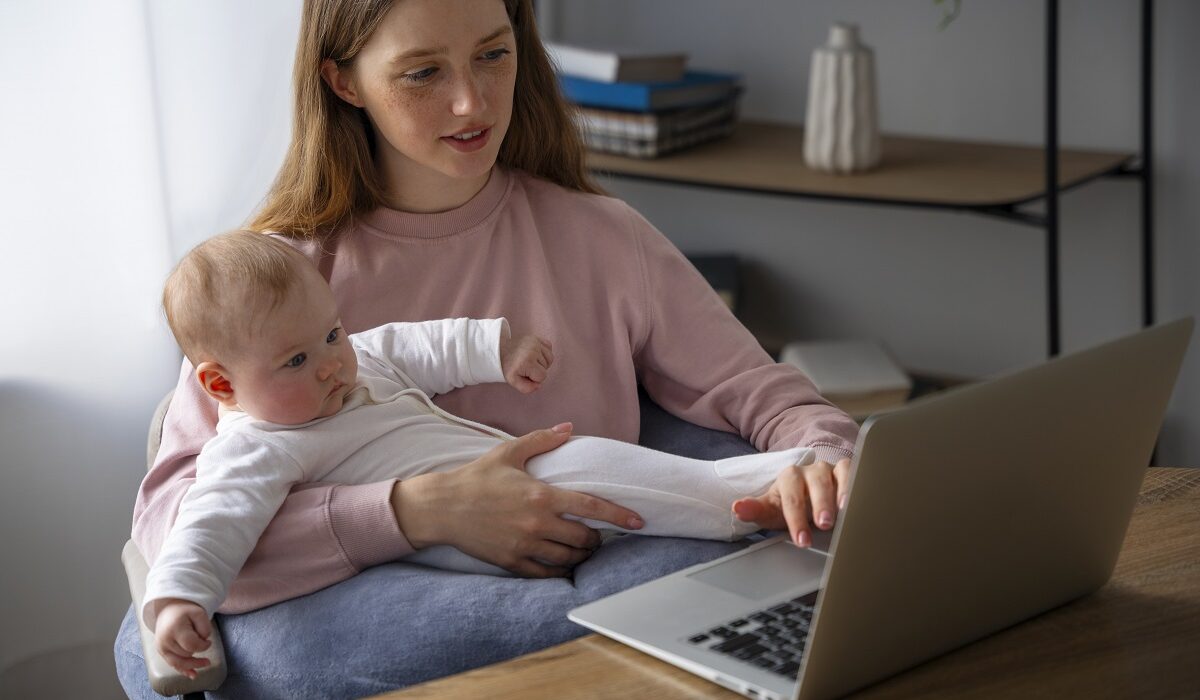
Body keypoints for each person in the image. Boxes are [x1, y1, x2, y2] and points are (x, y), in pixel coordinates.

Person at [118, 0, 860, 695]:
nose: (472, 103)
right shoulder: (278, 286)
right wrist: (417, 512)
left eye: (494, 55)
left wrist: (826, 457)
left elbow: (760, 391)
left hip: (597, 563)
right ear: (343, 81)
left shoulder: (601, 238)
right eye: (423, 73)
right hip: (399, 620)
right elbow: (177, 527)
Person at [147, 230, 815, 677]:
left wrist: (498, 350)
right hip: (461, 540)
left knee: (591, 477)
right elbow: (210, 521)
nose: (330, 365)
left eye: (331, 334)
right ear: (220, 383)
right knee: (583, 467)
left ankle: (777, 486)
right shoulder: (254, 445)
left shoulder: (356, 364)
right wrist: (179, 600)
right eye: (296, 359)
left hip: (499, 489)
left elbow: (419, 345)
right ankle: (757, 494)